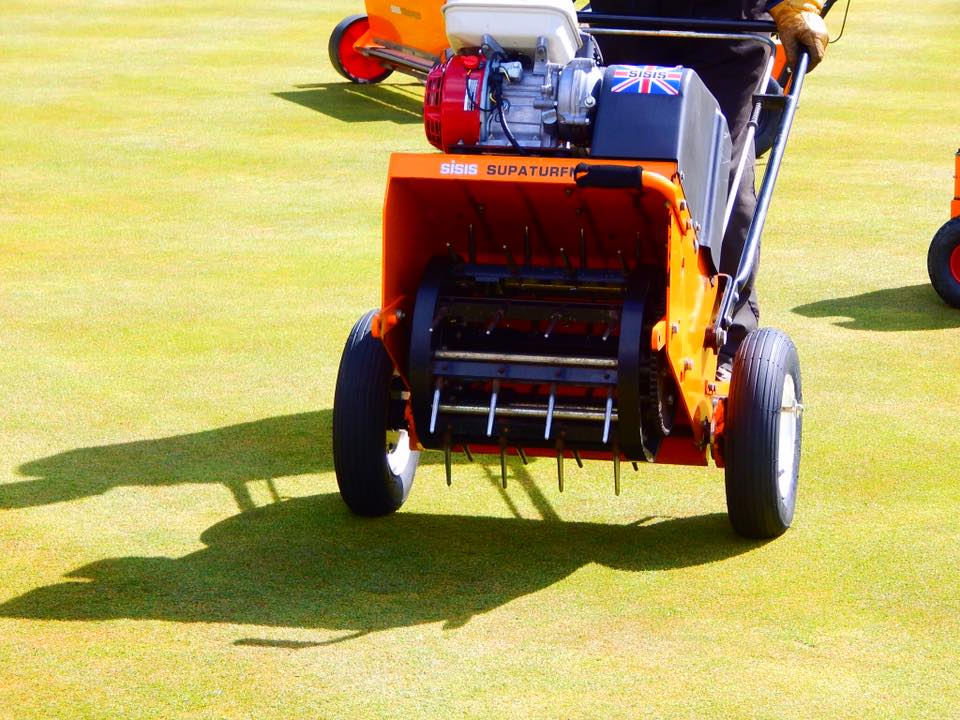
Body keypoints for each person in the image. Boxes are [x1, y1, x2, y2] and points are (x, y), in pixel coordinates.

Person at [588, 0, 829, 374]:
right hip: (625, 22)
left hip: (727, 29)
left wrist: (796, 6)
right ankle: (597, 312)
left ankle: (729, 339)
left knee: (721, 169)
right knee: (600, 166)